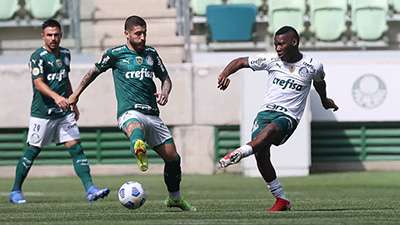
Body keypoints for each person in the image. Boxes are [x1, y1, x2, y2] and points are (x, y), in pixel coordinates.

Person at [68, 15, 196, 211]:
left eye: (144, 33)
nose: (142, 37)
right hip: (129, 111)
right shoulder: (115, 54)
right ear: (126, 34)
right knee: (134, 126)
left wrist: (165, 91)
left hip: (152, 114)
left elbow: (166, 79)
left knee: (173, 159)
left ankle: (175, 198)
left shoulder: (151, 53)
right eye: (138, 33)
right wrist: (75, 95)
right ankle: (138, 146)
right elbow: (92, 72)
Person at [217, 26, 339, 212]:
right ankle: (281, 199)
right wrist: (225, 73)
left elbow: (319, 82)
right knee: (261, 154)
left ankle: (239, 153)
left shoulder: (313, 65)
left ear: (294, 42)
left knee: (271, 131)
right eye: (275, 44)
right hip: (265, 113)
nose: (277, 48)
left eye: (281, 44)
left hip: (288, 116)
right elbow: (241, 61)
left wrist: (324, 100)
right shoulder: (271, 60)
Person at [9, 19, 110, 204]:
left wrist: (73, 102)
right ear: (43, 36)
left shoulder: (65, 54)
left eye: (56, 35)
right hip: (43, 113)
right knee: (32, 151)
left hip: (64, 113)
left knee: (76, 148)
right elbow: (38, 83)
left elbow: (65, 79)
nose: (53, 38)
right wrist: (56, 97)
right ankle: (15, 190)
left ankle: (90, 189)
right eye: (49, 35)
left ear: (61, 35)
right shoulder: (37, 56)